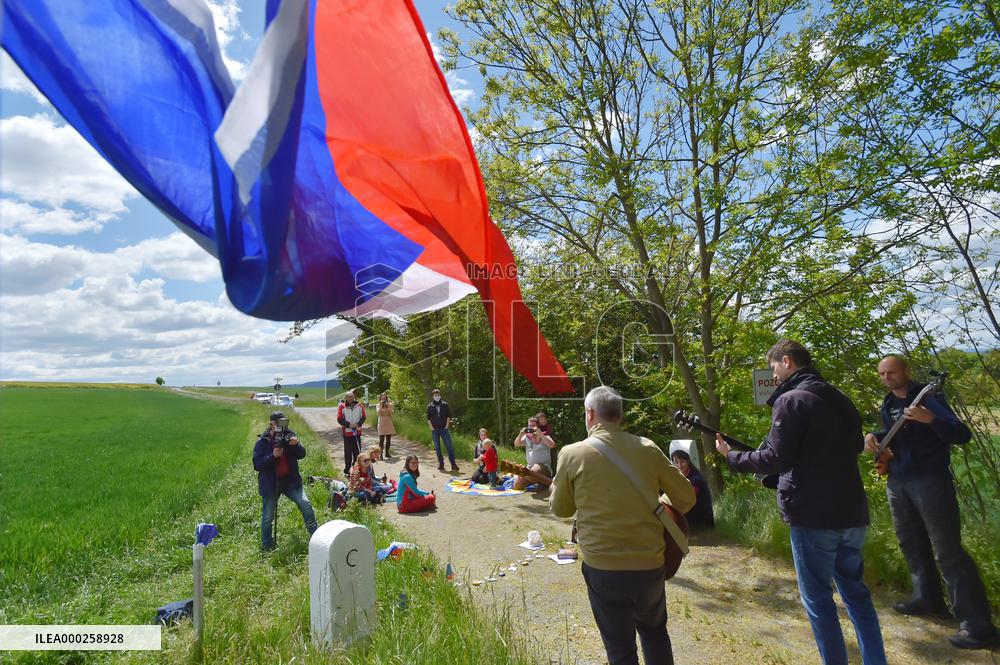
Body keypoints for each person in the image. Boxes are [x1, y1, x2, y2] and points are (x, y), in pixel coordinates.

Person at [716, 339, 886, 665]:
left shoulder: (792, 401)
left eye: (775, 367)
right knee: (856, 595)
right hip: (851, 511)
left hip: (813, 515)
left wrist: (733, 457)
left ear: (788, 361)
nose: (774, 375)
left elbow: (775, 458)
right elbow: (850, 447)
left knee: (819, 600)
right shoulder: (840, 398)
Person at [550, 386, 695, 665]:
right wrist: (657, 503)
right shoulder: (647, 448)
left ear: (590, 415)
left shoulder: (571, 453)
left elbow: (562, 509)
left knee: (620, 649)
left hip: (603, 568)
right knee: (654, 633)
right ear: (619, 415)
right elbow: (686, 498)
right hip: (649, 564)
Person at [864, 355, 997, 650]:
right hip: (898, 480)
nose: (887, 377)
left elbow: (961, 434)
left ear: (906, 372)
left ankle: (978, 625)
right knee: (910, 542)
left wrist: (931, 419)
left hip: (930, 480)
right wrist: (875, 437)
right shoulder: (888, 403)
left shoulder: (929, 397)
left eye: (892, 372)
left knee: (947, 551)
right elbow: (896, 435)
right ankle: (928, 599)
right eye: (882, 373)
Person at [252, 411, 318, 551]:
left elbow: (301, 454)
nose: (280, 426)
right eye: (277, 423)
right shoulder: (263, 442)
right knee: (267, 516)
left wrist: (296, 445)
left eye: (283, 422)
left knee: (305, 504)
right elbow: (257, 465)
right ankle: (267, 547)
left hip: (290, 482)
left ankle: (316, 538)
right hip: (271, 484)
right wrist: (272, 456)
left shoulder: (288, 435)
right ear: (271, 423)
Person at [670, 450, 714, 530]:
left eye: (682, 462)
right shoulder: (678, 475)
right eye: (676, 462)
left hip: (700, 518)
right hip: (690, 511)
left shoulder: (696, 479)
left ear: (688, 461)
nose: (679, 465)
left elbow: (686, 499)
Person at [513, 416, 555, 490]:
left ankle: (544, 481)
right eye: (530, 425)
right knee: (516, 485)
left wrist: (540, 434)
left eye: (533, 426)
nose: (531, 427)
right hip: (530, 468)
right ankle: (540, 482)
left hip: (543, 467)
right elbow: (516, 444)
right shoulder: (527, 437)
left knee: (533, 471)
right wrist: (520, 435)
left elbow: (552, 445)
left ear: (538, 426)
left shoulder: (544, 435)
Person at [426, 388, 459, 472]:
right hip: (435, 430)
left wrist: (446, 426)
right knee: (437, 448)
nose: (437, 396)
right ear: (433, 396)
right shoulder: (430, 406)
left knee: (449, 447)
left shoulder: (445, 404)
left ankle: (453, 464)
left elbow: (448, 416)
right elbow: (428, 419)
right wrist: (432, 428)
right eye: (435, 395)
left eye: (438, 395)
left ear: (440, 395)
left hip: (444, 429)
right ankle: (441, 464)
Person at [336, 390, 366, 475]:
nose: (350, 398)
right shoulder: (342, 407)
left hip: (357, 432)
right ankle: (347, 469)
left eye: (351, 396)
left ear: (354, 397)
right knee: (348, 453)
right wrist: (349, 425)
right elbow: (339, 419)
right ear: (345, 398)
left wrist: (358, 424)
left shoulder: (359, 406)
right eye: (348, 397)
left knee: (357, 452)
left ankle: (356, 468)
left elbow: (363, 417)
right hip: (347, 433)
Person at [376, 392, 396, 457]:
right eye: (382, 397)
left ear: (386, 398)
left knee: (388, 438)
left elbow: (391, 412)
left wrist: (388, 406)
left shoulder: (390, 404)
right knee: (381, 438)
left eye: (385, 397)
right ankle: (380, 454)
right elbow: (378, 413)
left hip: (388, 421)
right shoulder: (378, 405)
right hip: (381, 421)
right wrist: (381, 406)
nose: (383, 399)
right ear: (380, 398)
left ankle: (387, 453)